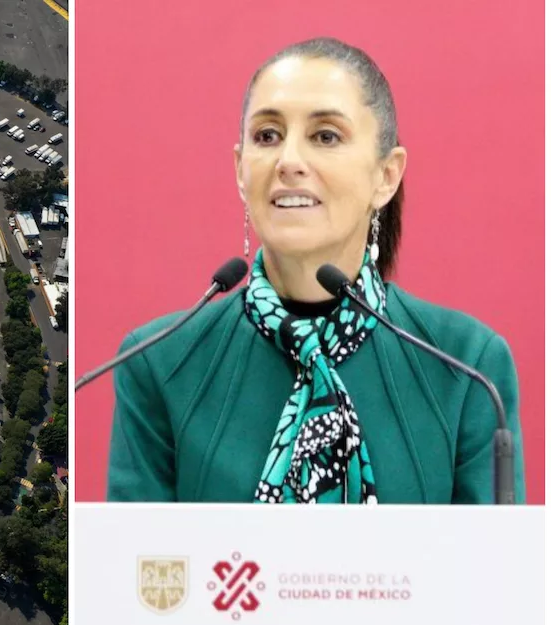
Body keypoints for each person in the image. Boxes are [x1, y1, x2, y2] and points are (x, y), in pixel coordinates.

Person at [107, 37, 526, 504]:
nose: (289, 161)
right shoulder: (158, 363)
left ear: (386, 176)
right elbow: (138, 571)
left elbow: (490, 574)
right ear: (240, 170)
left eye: (325, 136)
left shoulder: (469, 369)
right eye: (267, 136)